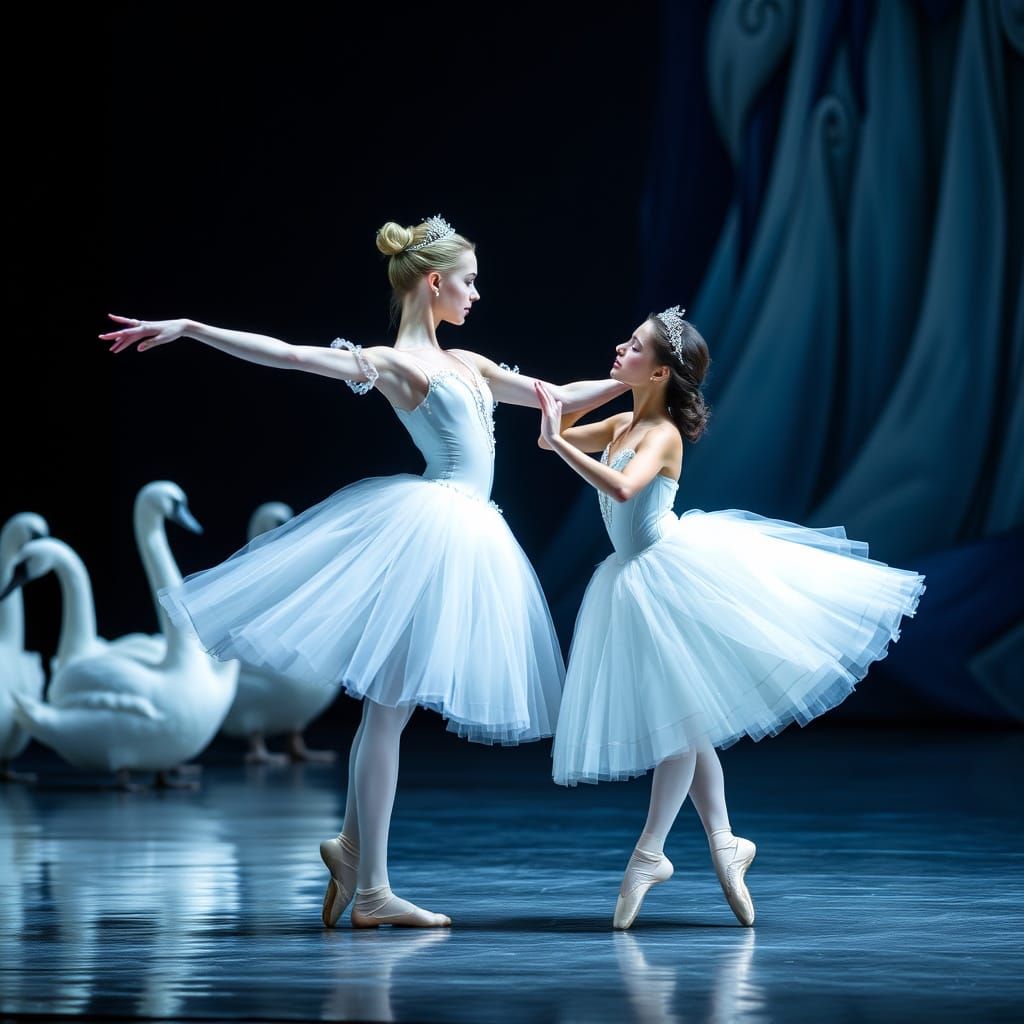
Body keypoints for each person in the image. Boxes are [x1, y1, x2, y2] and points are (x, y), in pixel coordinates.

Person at [102, 214, 626, 929]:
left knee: (390, 707)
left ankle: (355, 855)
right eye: (469, 282)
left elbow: (555, 396)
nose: (476, 295)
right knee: (388, 707)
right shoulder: (395, 363)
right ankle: (370, 883)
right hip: (433, 528)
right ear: (434, 282)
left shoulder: (468, 364)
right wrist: (192, 327)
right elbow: (291, 356)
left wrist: (638, 382)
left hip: (462, 530)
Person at [535, 305, 925, 929]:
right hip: (630, 581)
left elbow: (623, 488)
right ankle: (724, 842)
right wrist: (597, 398)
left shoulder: (662, 434)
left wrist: (560, 439)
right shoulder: (622, 423)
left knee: (678, 722)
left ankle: (650, 854)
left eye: (633, 347)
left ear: (660, 373)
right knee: (686, 720)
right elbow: (549, 432)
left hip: (669, 576)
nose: (619, 347)